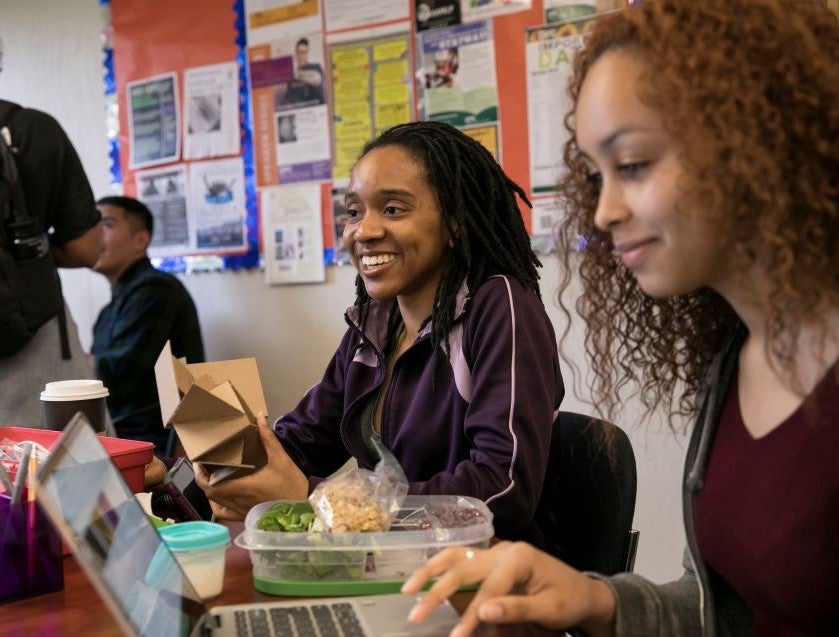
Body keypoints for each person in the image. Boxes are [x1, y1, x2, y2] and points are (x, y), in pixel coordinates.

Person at [403, 1, 839, 636]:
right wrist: (593, 601)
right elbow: (731, 610)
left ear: (754, 141)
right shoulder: (740, 360)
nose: (603, 211)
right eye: (595, 174)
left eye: (632, 164)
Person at [181, 120, 564, 543]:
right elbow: (300, 442)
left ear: (455, 221)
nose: (364, 231)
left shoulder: (498, 305)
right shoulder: (377, 324)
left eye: (394, 209)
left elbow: (503, 491)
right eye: (354, 212)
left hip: (479, 582)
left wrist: (316, 501)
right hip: (387, 570)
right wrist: (185, 483)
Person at [0, 47, 103, 428]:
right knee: (68, 467)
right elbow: (89, 247)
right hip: (38, 333)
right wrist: (27, 252)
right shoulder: (36, 129)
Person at [91, 196, 205, 453]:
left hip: (156, 449)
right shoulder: (108, 310)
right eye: (93, 226)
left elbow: (116, 379)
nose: (96, 235)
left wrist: (71, 365)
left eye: (106, 225)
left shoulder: (155, 288)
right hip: (119, 438)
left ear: (141, 240)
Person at [284, 37, 325, 105]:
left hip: (317, 111)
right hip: (300, 112)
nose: (302, 55)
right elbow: (288, 97)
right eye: (300, 52)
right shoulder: (291, 78)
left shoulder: (315, 67)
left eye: (304, 52)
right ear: (296, 54)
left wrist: (292, 74)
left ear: (307, 54)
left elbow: (316, 79)